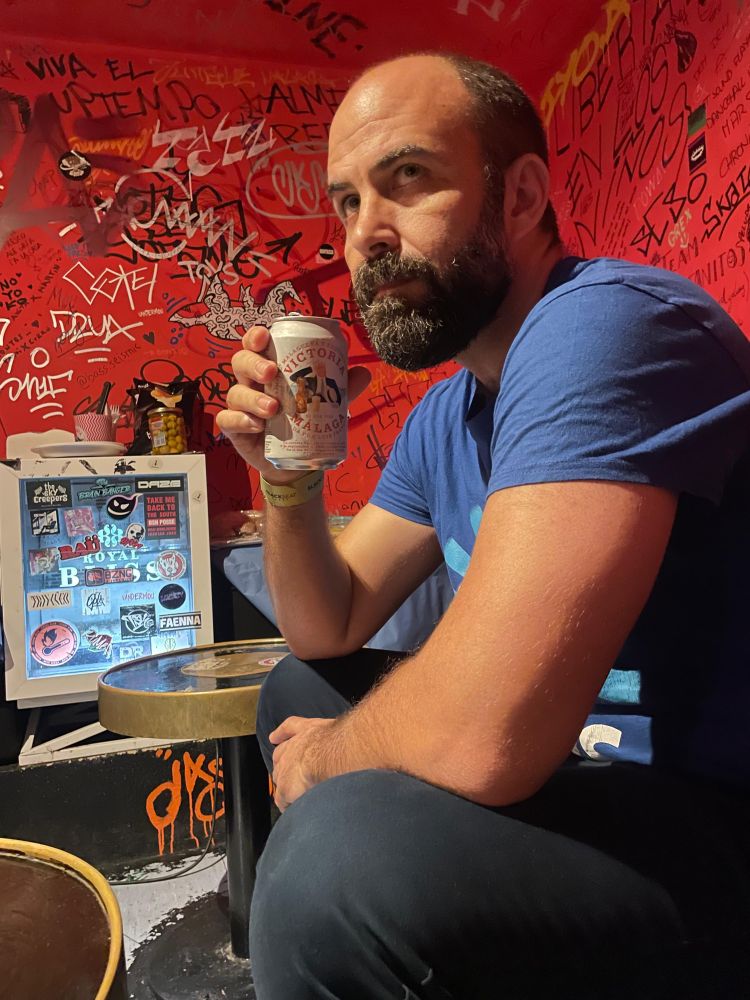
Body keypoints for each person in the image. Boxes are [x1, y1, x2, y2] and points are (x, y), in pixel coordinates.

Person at [217, 52, 750, 1000]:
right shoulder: (449, 412)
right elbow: (325, 625)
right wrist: (287, 480)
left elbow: (486, 736)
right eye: (347, 202)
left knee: (333, 870)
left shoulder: (608, 327)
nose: (366, 233)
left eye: (408, 177)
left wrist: (328, 763)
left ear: (523, 195)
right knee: (298, 687)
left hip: (707, 813)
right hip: (575, 776)